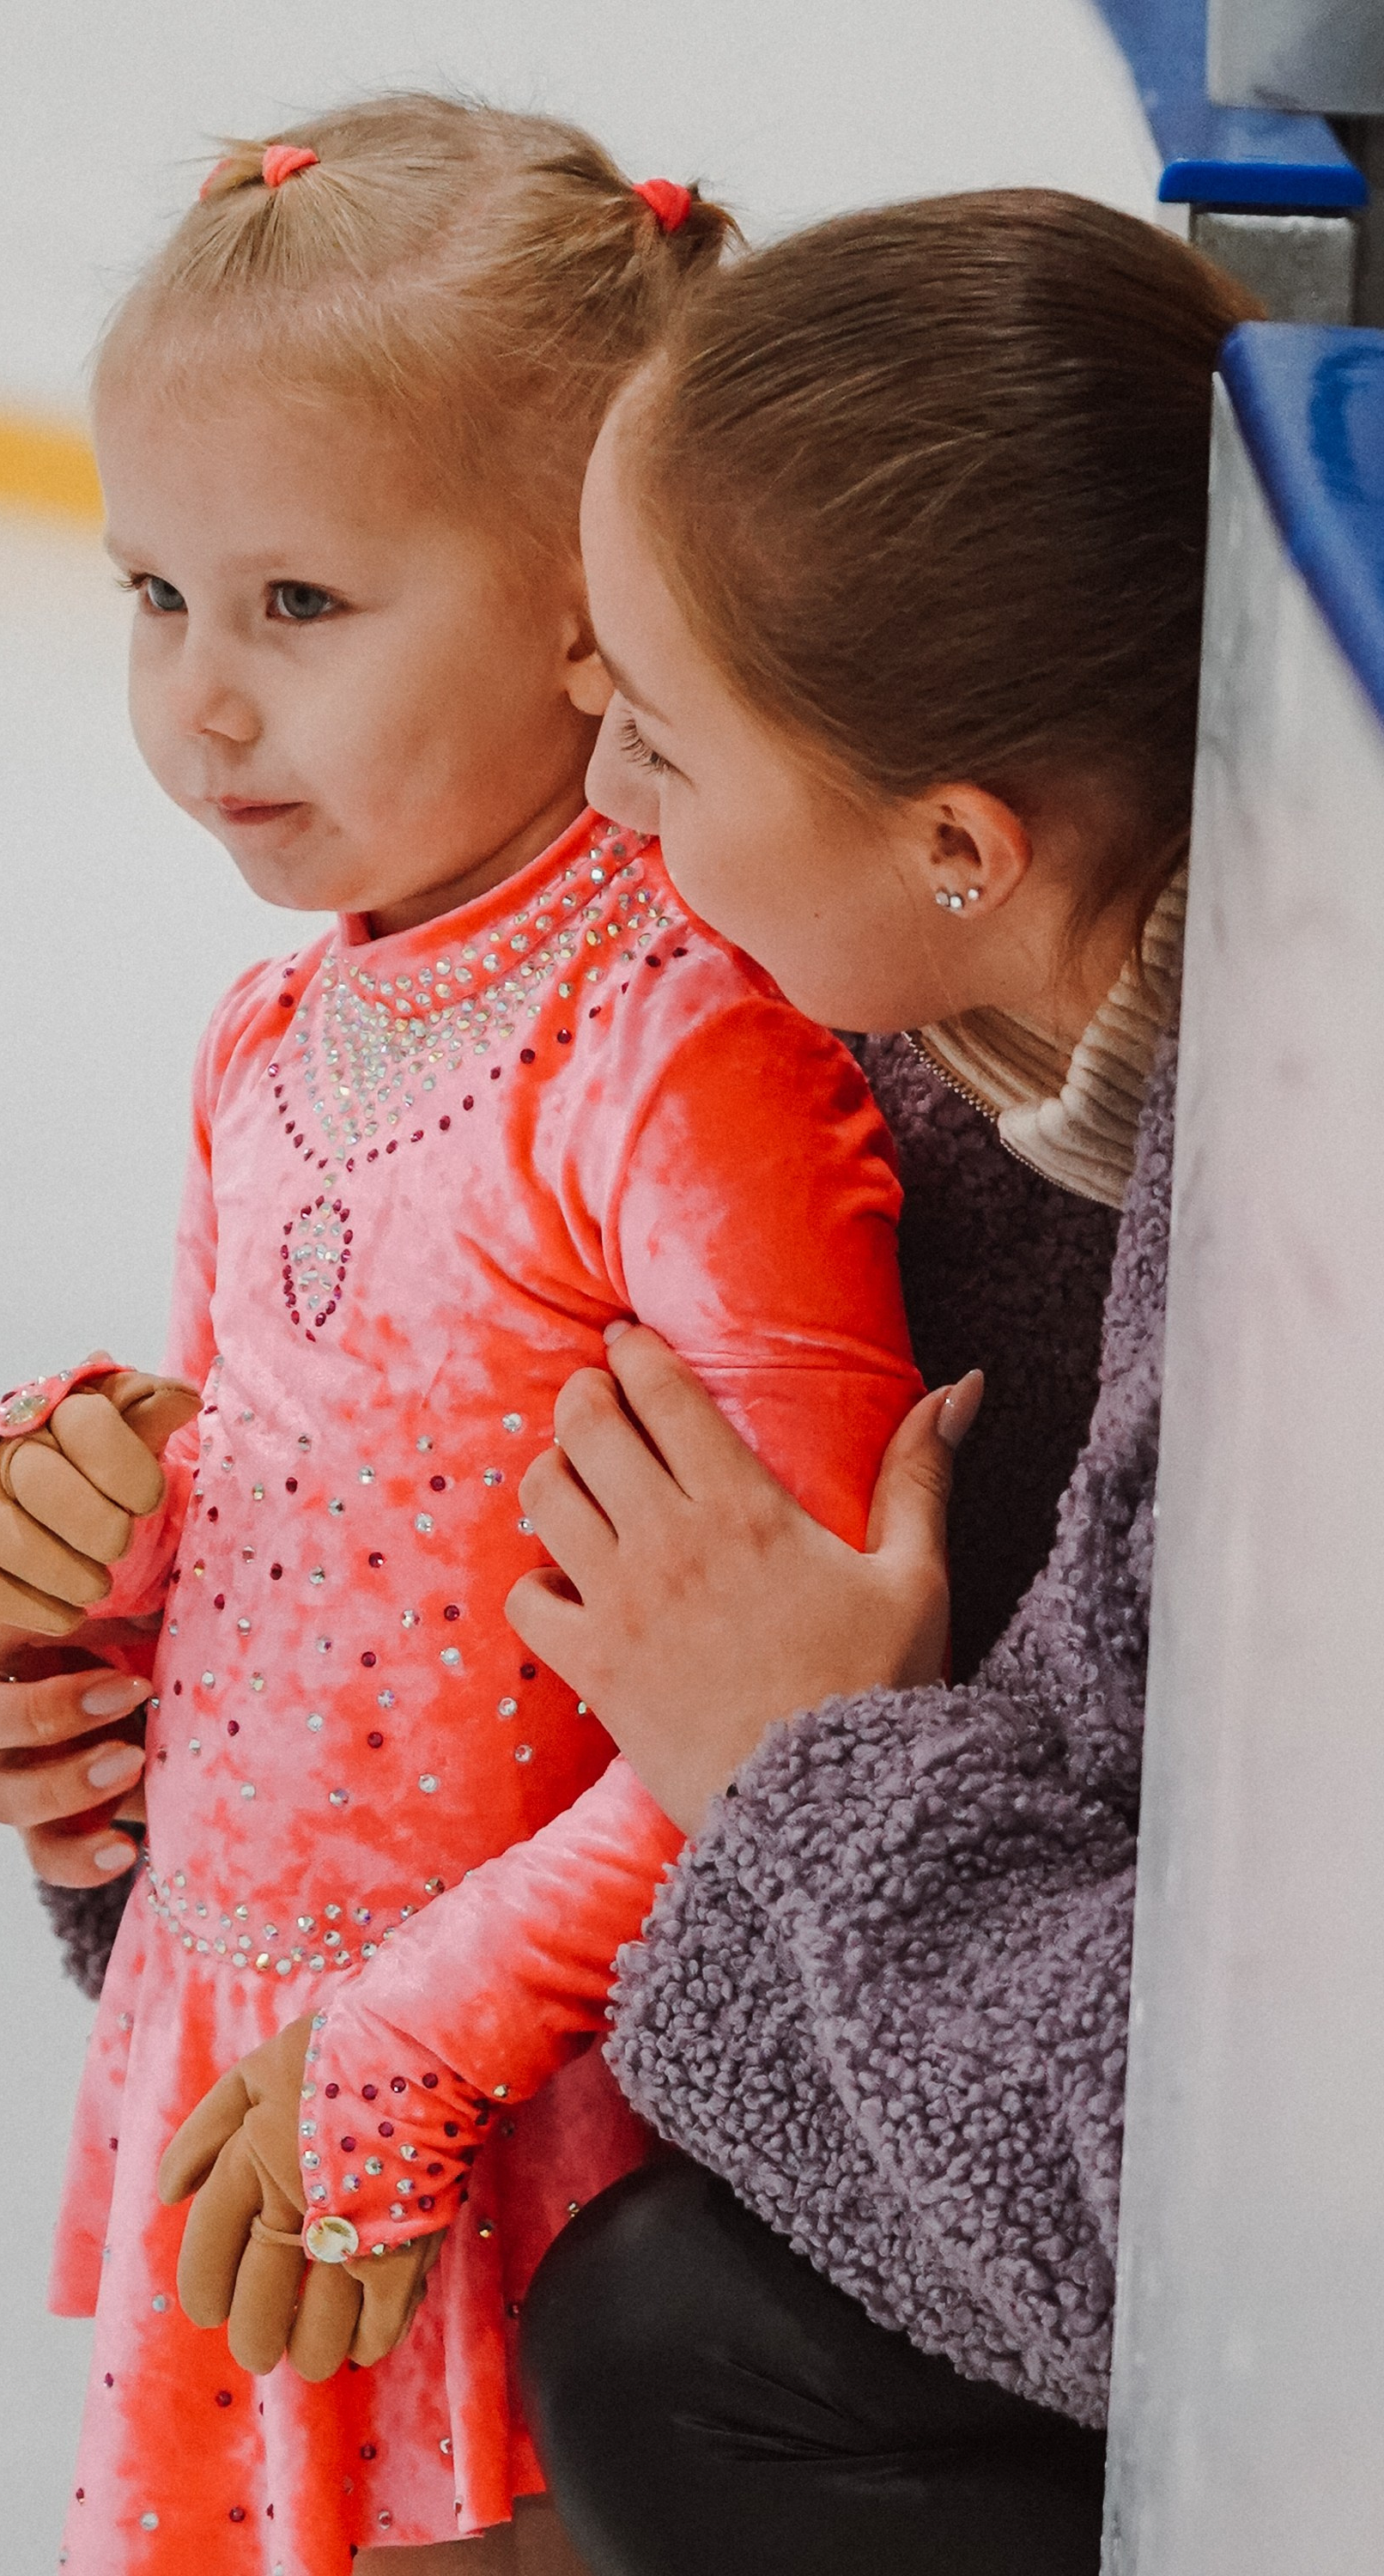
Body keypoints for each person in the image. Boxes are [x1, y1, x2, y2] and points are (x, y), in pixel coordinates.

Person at [0, 98, 926, 2576]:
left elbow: (785, 1698)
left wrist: (429, 2049)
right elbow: (273, 1512)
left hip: (527, 2105)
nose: (200, 708)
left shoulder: (688, 1056)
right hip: (249, 2051)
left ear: (589, 606)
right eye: (151, 593)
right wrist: (89, 1532)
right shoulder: (276, 1038)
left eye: (299, 606)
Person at [505, 192, 1256, 2575]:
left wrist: (790, 1768)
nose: (604, 804)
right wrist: (177, 1682)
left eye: (655, 733)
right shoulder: (978, 1064)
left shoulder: (1305, 1272)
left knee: (676, 2338)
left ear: (959, 843)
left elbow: (1203, 2256)